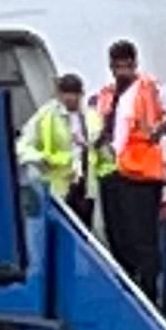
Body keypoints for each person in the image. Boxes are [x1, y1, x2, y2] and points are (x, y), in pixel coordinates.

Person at [93, 39, 166, 295]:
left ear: (135, 64)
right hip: (111, 171)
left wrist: (163, 128)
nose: (122, 71)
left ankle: (148, 291)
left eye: (127, 66)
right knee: (117, 234)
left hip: (142, 173)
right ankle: (128, 284)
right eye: (117, 66)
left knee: (143, 237)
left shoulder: (150, 88)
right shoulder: (106, 94)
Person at [22, 72, 99, 228]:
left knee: (84, 232)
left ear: (81, 94)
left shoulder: (90, 115)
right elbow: (23, 145)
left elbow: (96, 142)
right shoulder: (46, 115)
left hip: (85, 189)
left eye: (74, 93)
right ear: (59, 94)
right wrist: (39, 158)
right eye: (66, 93)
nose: (69, 98)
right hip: (58, 189)